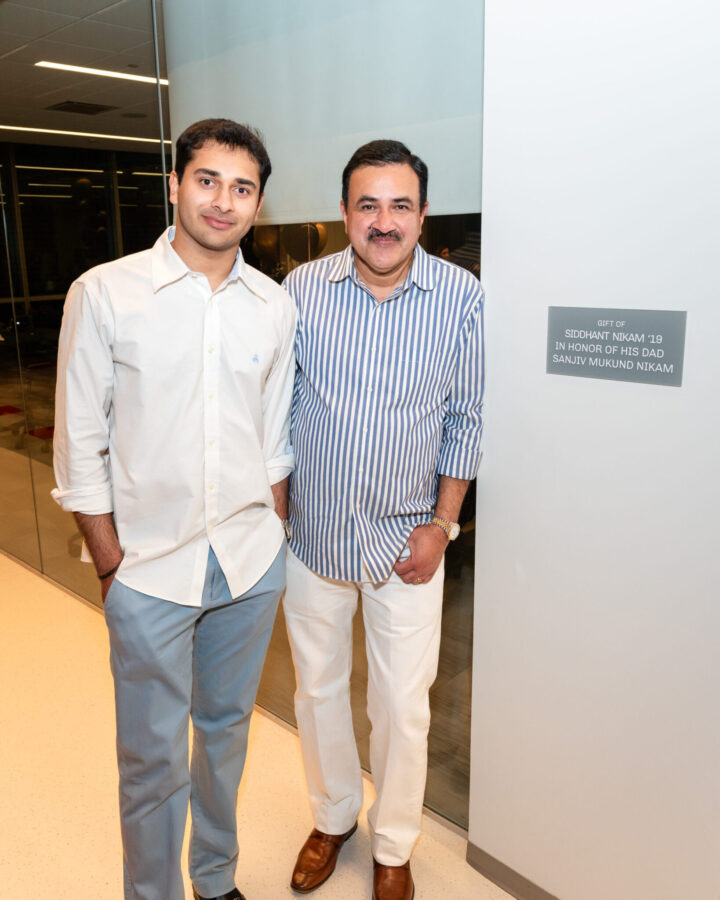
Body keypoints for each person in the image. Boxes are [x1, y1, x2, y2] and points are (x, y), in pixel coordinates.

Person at [52, 118, 296, 900]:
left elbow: (276, 437)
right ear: (175, 185)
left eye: (242, 186)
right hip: (150, 570)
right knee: (152, 760)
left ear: (258, 202)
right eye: (208, 180)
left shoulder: (272, 305)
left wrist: (276, 531)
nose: (223, 201)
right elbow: (77, 442)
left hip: (250, 564)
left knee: (224, 737)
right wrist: (109, 560)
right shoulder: (106, 292)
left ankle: (215, 879)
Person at [283, 140, 484, 900]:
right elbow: (276, 407)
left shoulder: (462, 298)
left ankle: (393, 843)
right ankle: (333, 817)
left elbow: (467, 419)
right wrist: (276, 509)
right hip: (312, 536)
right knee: (317, 690)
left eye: (401, 204)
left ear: (424, 213)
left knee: (403, 707)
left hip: (408, 544)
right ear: (344, 213)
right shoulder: (300, 290)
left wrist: (444, 523)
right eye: (368, 204)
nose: (384, 220)